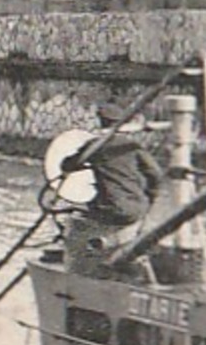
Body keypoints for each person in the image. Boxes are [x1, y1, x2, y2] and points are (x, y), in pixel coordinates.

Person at [62, 103, 164, 268]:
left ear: (100, 121)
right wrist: (149, 198)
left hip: (111, 209)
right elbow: (156, 174)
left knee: (77, 220)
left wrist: (88, 160)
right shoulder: (133, 147)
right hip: (137, 209)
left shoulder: (94, 146)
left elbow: (67, 165)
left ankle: (86, 262)